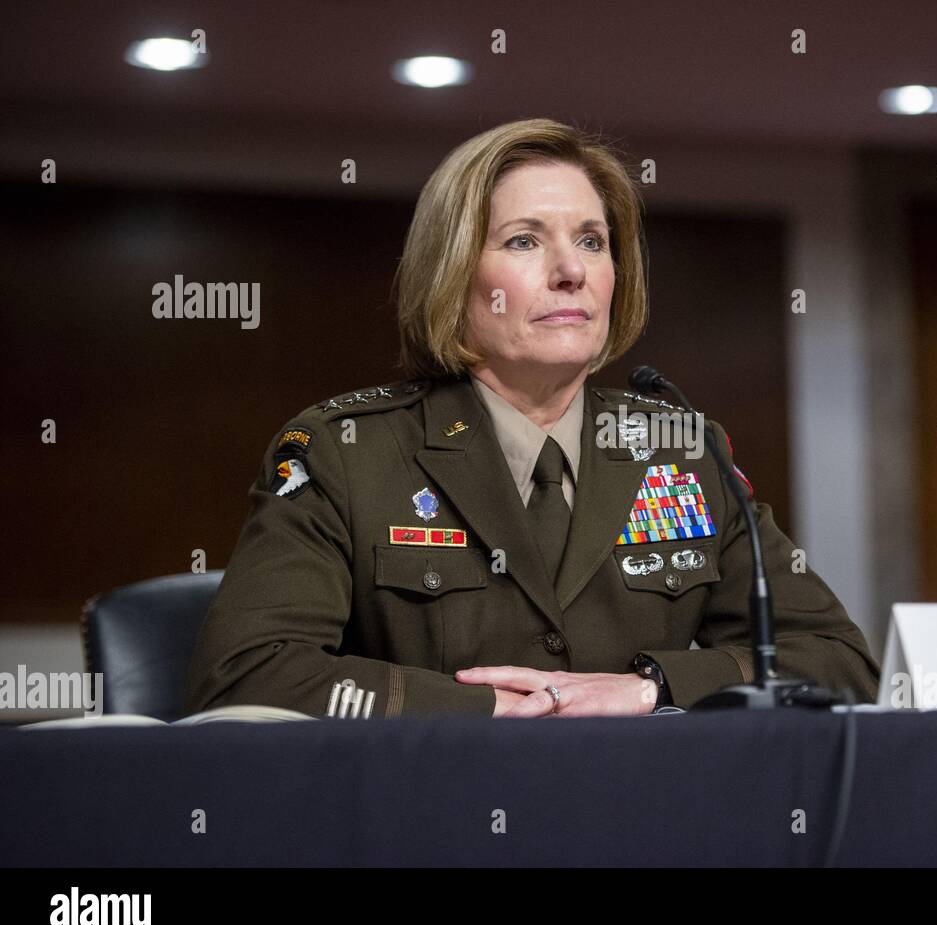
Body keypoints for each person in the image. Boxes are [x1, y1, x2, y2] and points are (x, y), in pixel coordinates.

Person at [185, 118, 880, 719]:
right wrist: (491, 708)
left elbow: (839, 662)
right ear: (453, 277)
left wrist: (649, 687)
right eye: (524, 241)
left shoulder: (683, 451)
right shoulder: (345, 452)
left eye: (591, 241)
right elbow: (247, 672)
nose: (570, 271)